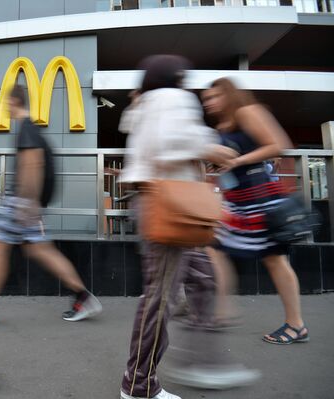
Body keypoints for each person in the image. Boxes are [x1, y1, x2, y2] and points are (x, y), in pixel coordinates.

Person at [117, 55, 239, 399]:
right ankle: (139, 385)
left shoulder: (147, 103)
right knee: (160, 297)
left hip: (166, 205)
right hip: (171, 208)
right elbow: (169, 144)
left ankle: (202, 360)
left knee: (201, 278)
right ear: (177, 77)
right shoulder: (170, 98)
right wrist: (212, 147)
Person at [0, 84, 102, 328]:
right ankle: (83, 297)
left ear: (14, 101)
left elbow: (33, 165)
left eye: (6, 102)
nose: (5, 106)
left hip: (20, 201)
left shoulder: (26, 130)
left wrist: (27, 206)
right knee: (39, 250)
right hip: (27, 202)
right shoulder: (32, 130)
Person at [201, 78, 309, 345]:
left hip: (260, 198)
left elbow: (277, 145)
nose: (209, 103)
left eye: (214, 97)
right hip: (238, 201)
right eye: (206, 99)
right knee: (213, 247)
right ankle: (223, 311)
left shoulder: (247, 111)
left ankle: (296, 325)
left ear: (228, 95)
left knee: (274, 259)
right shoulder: (223, 125)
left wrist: (238, 160)